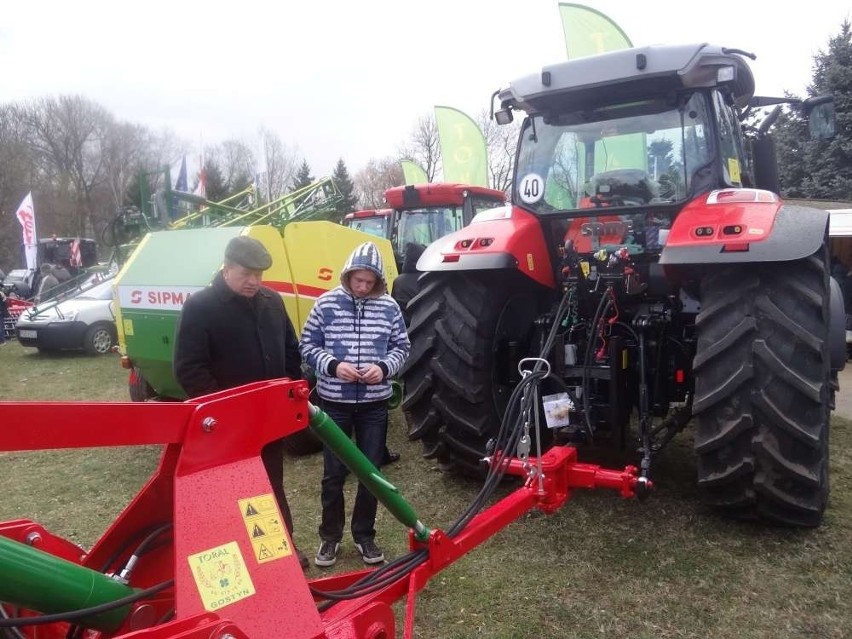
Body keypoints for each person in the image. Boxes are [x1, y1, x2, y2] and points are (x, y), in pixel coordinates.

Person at [173, 235, 309, 569]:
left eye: (259, 275)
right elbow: (189, 368)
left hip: (268, 420)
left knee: (271, 486)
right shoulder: (201, 307)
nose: (254, 282)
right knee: (231, 493)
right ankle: (237, 558)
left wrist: (287, 391)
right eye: (247, 274)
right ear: (227, 267)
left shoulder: (272, 302)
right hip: (227, 427)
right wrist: (224, 413)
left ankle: (280, 550)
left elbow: (291, 350)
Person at [300, 241, 410, 567]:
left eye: (369, 282)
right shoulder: (325, 304)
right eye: (357, 280)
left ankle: (365, 536)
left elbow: (402, 348)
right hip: (334, 403)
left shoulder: (389, 307)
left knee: (371, 474)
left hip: (374, 406)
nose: (362, 287)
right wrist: (333, 365)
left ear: (378, 281)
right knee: (333, 474)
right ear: (347, 275)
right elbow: (307, 345)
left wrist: (384, 368)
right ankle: (329, 538)